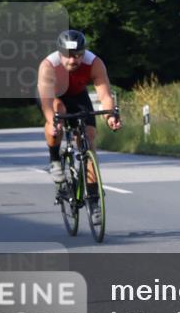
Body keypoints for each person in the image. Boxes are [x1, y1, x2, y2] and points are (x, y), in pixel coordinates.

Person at [37, 30, 121, 200]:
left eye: (77, 55)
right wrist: (52, 121)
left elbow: (105, 95)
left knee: (89, 140)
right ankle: (54, 160)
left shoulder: (94, 63)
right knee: (58, 113)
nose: (72, 60)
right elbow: (47, 101)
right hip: (53, 96)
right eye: (68, 56)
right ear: (60, 53)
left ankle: (93, 196)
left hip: (78, 95)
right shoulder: (48, 65)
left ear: (84, 52)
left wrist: (110, 116)